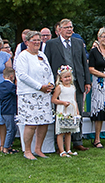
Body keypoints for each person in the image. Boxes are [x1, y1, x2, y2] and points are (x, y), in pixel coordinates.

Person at [43, 19, 91, 151]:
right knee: (61, 112)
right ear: (59, 29)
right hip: (60, 84)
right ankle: (59, 143)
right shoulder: (52, 44)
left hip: (77, 82)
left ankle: (77, 140)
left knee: (77, 110)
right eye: (66, 27)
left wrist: (87, 81)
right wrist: (50, 83)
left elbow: (83, 63)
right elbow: (47, 65)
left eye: (71, 27)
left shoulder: (78, 42)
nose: (69, 29)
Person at [14, 30, 54, 160]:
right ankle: (27, 151)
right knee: (31, 123)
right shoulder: (23, 56)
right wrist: (39, 86)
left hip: (44, 94)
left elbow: (49, 71)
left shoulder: (42, 55)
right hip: (29, 94)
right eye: (34, 40)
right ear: (27, 42)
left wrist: (50, 84)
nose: (37, 42)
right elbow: (22, 75)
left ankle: (38, 149)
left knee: (44, 122)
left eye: (39, 40)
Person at [52, 66, 80, 157]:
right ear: (61, 78)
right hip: (62, 110)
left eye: (69, 76)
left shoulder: (72, 87)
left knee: (69, 130)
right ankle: (61, 150)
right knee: (61, 131)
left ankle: (68, 149)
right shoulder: (59, 87)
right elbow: (54, 99)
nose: (68, 79)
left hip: (71, 110)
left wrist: (77, 110)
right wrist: (63, 102)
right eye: (65, 77)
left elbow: (74, 100)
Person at [0, 67, 18, 154]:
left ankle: (9, 145)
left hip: (3, 109)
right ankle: (5, 147)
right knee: (10, 129)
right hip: (10, 109)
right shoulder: (12, 86)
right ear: (11, 77)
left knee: (13, 128)